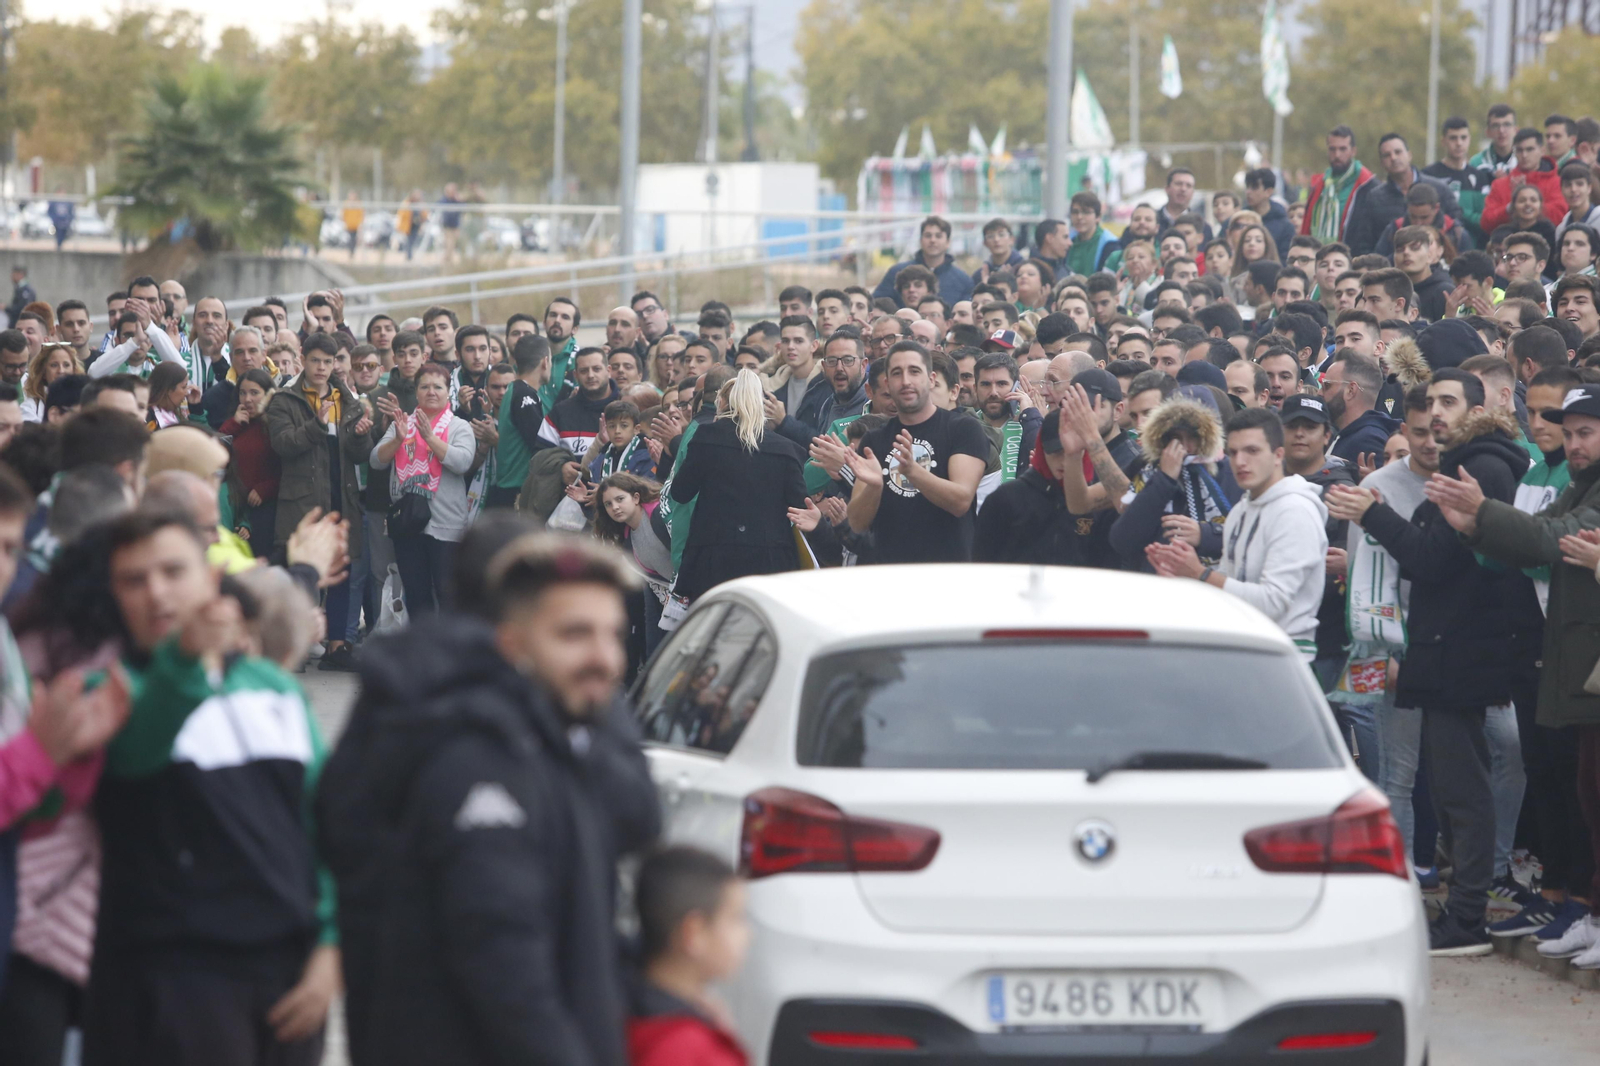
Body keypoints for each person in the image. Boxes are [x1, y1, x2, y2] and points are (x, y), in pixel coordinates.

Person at [316, 531, 659, 1066]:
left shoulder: (557, 735)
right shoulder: (482, 760)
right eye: (574, 634)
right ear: (511, 642)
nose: (606, 659)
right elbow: (502, 960)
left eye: (613, 634)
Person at [81, 506, 341, 1066]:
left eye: (173, 572)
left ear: (210, 577)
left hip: (287, 973)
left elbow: (326, 827)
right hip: (171, 980)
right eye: (134, 579)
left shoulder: (272, 687)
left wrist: (329, 947)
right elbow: (136, 750)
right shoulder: (106, 689)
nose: (156, 593)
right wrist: (183, 661)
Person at [1325, 368, 1530, 956]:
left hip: (1465, 651)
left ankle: (1468, 918)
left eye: (1449, 402)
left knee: (1464, 791)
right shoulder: (1465, 461)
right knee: (1449, 787)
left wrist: (1373, 514)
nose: (1437, 413)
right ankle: (1464, 904)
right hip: (1449, 649)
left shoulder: (1480, 467)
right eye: (1430, 403)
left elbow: (1433, 561)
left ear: (1476, 407)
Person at [1423, 380, 1600, 964]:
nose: (1573, 444)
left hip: (1581, 654)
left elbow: (1549, 537)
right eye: (1569, 433)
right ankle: (1583, 908)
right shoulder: (1579, 484)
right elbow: (1533, 542)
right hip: (1568, 653)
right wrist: (1477, 524)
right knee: (1578, 785)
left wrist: (1480, 512)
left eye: (1585, 433)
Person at [1148, 407, 1329, 662]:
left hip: (1284, 659)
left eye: (1252, 451)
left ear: (1278, 455)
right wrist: (1184, 576)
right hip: (1242, 651)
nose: (1240, 462)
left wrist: (1200, 574)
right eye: (1233, 453)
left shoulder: (1295, 511)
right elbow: (1228, 585)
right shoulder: (1240, 510)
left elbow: (1272, 603)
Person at [820, 341, 987, 564]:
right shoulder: (875, 438)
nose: (906, 381)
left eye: (914, 371)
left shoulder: (963, 429)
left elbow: (960, 502)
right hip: (891, 574)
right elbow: (858, 523)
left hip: (948, 573)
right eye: (897, 373)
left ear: (931, 379)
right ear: (887, 383)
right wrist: (874, 485)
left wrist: (913, 472)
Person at [265, 333, 374, 667]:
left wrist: (360, 435)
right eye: (316, 361)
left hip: (342, 495)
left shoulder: (347, 398)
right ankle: (294, 646)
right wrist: (317, 425)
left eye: (329, 362)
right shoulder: (285, 399)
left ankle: (337, 645)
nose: (323, 368)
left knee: (340, 569)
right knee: (302, 573)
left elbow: (360, 455)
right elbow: (282, 444)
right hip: (303, 501)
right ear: (303, 359)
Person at [668, 370, 807, 601]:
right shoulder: (786, 450)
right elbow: (800, 507)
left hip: (714, 559)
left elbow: (681, 493)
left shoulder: (706, 438)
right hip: (771, 560)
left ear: (722, 402)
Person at [628, 846, 751, 1066]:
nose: (748, 935)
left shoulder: (631, 1013)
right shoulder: (685, 1048)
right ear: (694, 933)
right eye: (735, 918)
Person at [371, 362, 477, 615]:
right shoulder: (403, 423)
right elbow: (376, 460)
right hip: (408, 523)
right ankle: (422, 651)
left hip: (445, 524)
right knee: (416, 594)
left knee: (448, 594)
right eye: (425, 386)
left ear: (447, 391)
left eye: (438, 387)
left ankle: (450, 653)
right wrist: (398, 438)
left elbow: (463, 462)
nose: (431, 391)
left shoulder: (459, 426)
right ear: (416, 392)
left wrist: (430, 438)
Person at [1111, 388, 1242, 570]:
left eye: (1194, 437)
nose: (1185, 447)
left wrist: (1204, 535)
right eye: (1176, 438)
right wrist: (1164, 479)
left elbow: (1251, 541)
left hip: (1210, 590)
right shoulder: (1149, 471)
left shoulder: (1233, 473)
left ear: (1208, 437)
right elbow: (1122, 540)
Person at [1346, 132, 1463, 257]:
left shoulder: (1440, 189)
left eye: (1398, 152)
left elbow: (1457, 229)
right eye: (1387, 155)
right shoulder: (1374, 198)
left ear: (1409, 155)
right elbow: (1364, 244)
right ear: (1382, 162)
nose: (1393, 158)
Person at [221, 368, 281, 556]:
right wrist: (234, 424)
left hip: (264, 508)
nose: (247, 399)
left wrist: (266, 488)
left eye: (254, 393)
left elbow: (287, 467)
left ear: (267, 395)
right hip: (236, 507)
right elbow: (216, 451)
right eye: (243, 393)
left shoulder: (275, 424)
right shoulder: (235, 423)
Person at [871, 216, 974, 309]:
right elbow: (876, 304)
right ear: (920, 240)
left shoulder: (962, 280)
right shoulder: (897, 272)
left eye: (938, 236)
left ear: (948, 242)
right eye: (928, 235)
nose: (933, 240)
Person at [1482, 127, 1568, 235]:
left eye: (1530, 149)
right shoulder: (1500, 185)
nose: (1524, 155)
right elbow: (1486, 222)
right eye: (1519, 150)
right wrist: (1510, 207)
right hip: (1507, 246)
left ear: (1542, 151)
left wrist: (1524, 206)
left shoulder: (1557, 183)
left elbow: (1560, 216)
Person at [1321, 350, 1399, 465]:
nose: (1319, 392)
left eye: (1327, 385)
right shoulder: (1348, 434)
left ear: (1351, 390)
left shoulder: (1368, 440)